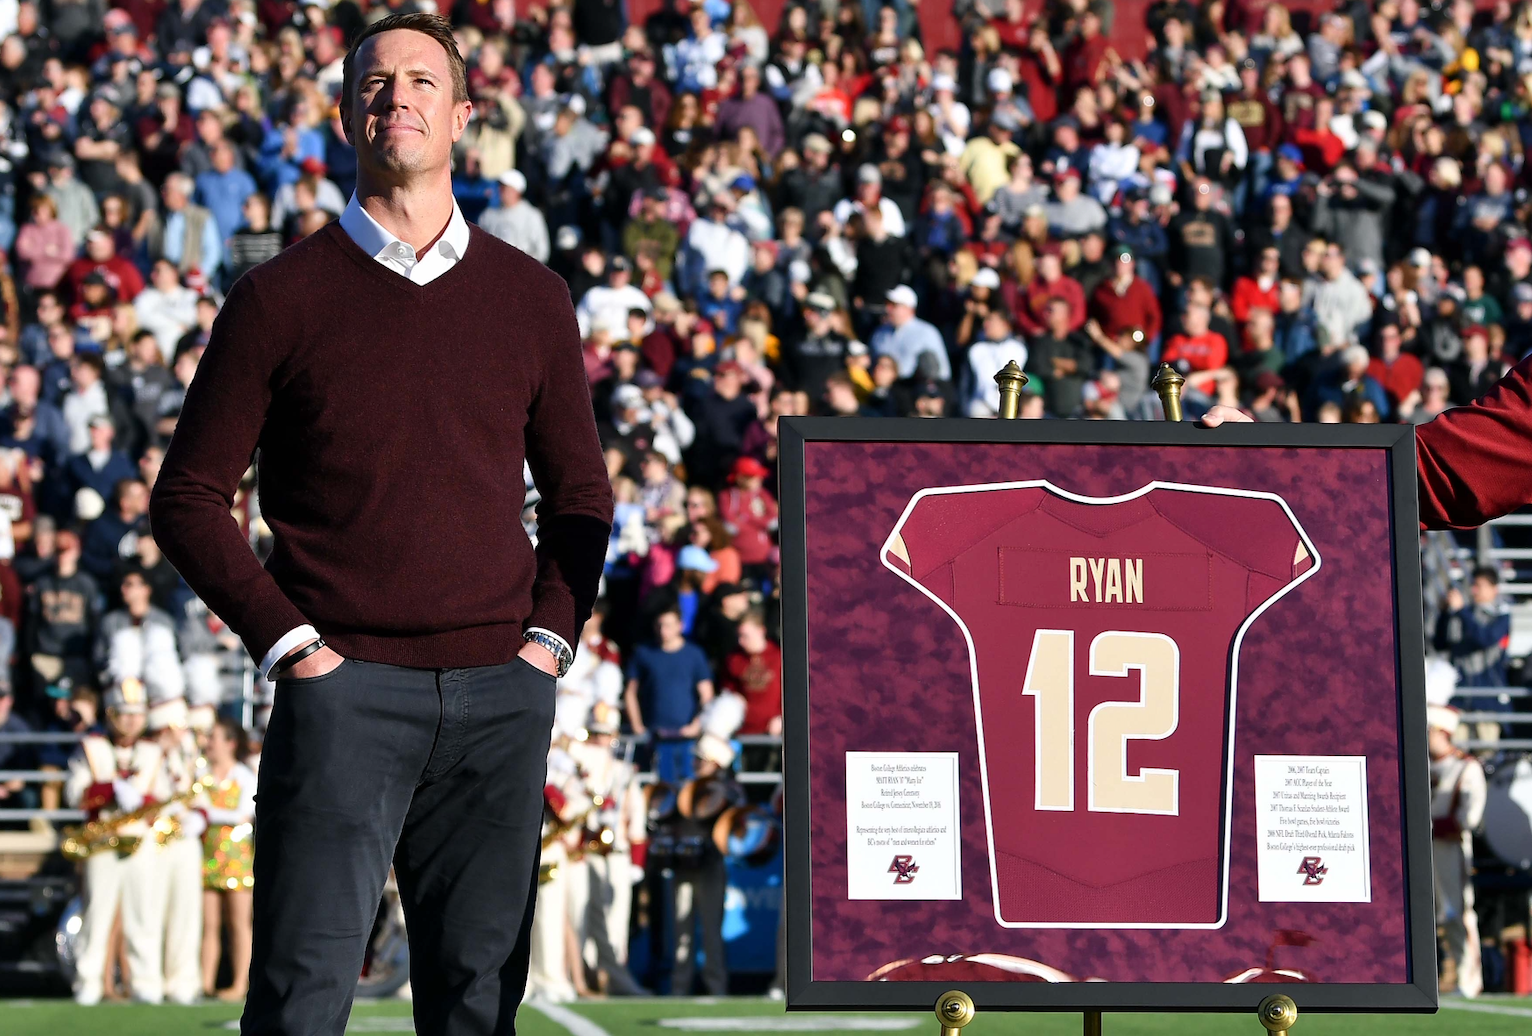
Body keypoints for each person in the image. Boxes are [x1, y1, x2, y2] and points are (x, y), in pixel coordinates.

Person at [147, 15, 613, 1035]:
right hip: (340, 691)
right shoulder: (277, 297)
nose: (395, 96)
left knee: (477, 1007)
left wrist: (547, 641)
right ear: (346, 113)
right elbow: (184, 497)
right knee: (301, 1003)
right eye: (374, 82)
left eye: (419, 81)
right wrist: (294, 646)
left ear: (461, 116)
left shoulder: (532, 298)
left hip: (501, 692)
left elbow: (580, 496)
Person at [62, 677, 169, 1005]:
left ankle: (146, 981)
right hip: (102, 840)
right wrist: (108, 791)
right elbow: (73, 794)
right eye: (123, 713)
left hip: (140, 841)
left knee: (144, 914)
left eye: (136, 714)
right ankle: (88, 982)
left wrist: (143, 799)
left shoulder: (153, 752)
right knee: (97, 914)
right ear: (110, 715)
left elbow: (164, 797)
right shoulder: (91, 748)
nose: (130, 720)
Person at [1427, 705, 1485, 998]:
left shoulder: (1466, 766)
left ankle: (1469, 979)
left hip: (1450, 848)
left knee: (1458, 912)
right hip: (1425, 851)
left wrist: (1431, 826)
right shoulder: (1420, 765)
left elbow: (1469, 818)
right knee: (1433, 914)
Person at [197, 715, 257, 1000]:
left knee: (239, 924)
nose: (208, 743)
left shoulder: (244, 775)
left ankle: (239, 985)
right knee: (208, 925)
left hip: (237, 858)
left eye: (214, 738)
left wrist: (206, 812)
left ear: (230, 743)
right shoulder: (201, 775)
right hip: (206, 856)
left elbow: (244, 815)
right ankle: (205, 983)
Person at [623, 607, 714, 783]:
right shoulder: (643, 653)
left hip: (686, 737)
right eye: (659, 625)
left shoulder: (694, 654)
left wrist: (697, 724)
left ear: (680, 625)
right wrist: (637, 726)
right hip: (653, 737)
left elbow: (706, 694)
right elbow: (631, 692)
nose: (663, 630)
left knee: (687, 789)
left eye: (669, 625)